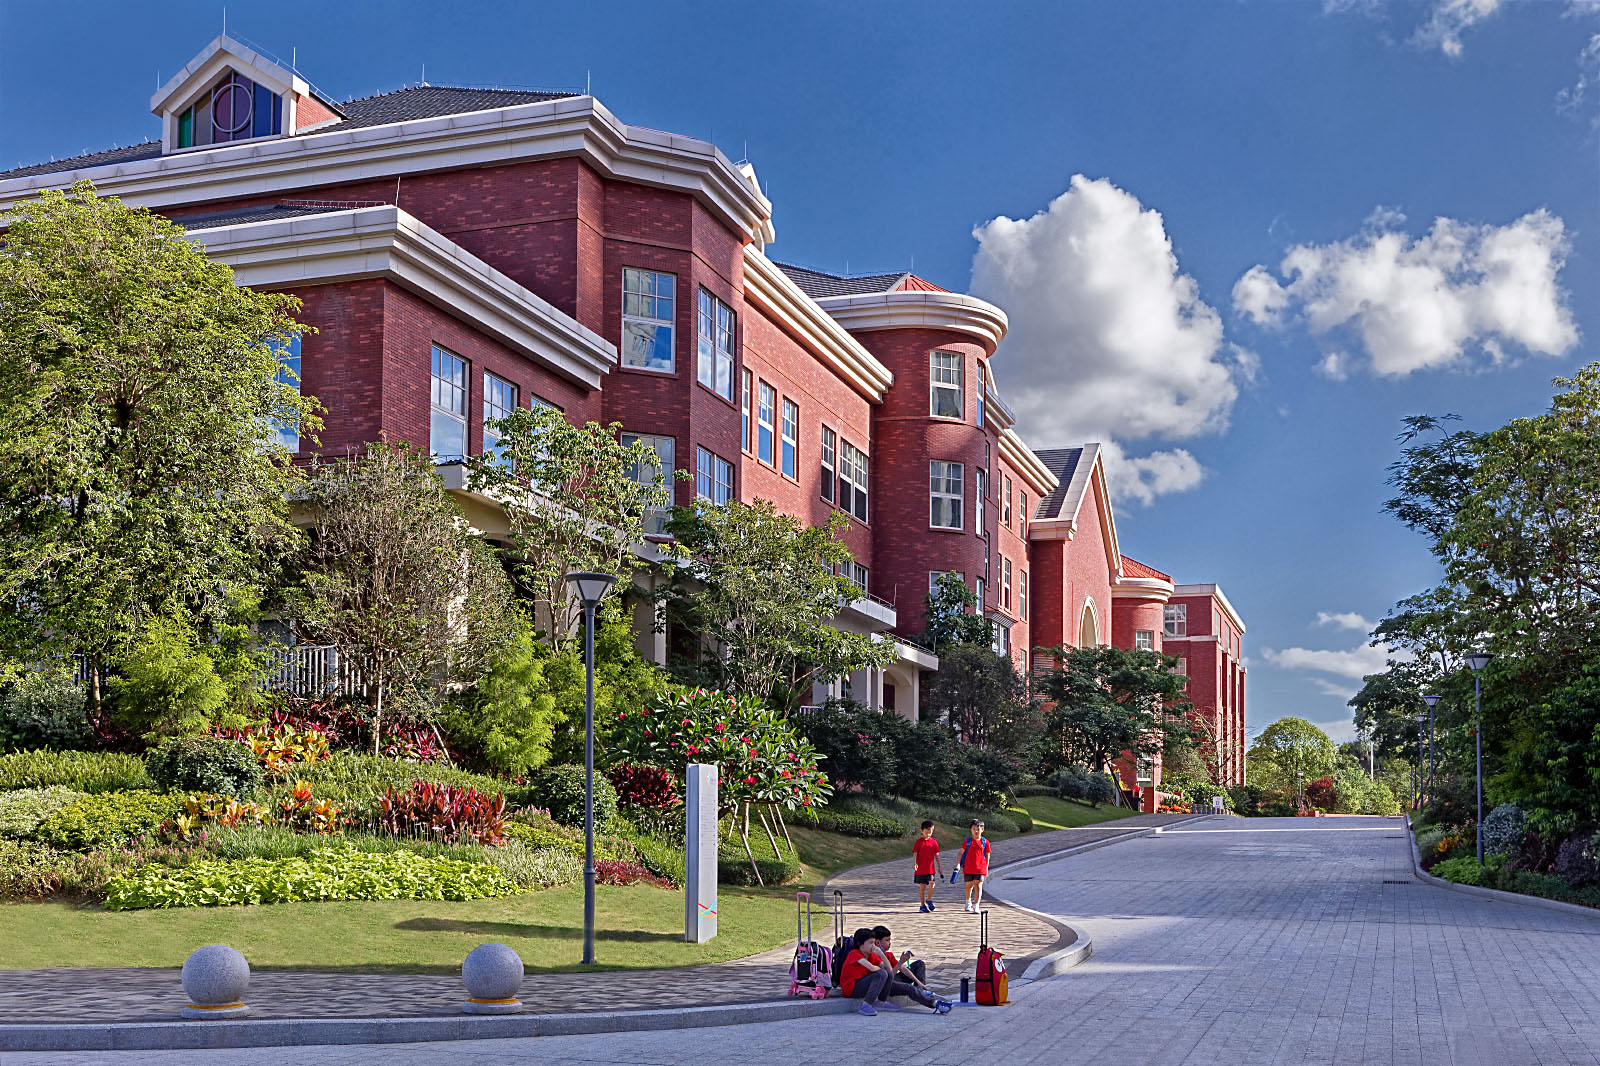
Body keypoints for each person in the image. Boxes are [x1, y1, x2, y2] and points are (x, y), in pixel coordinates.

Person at [871, 925, 951, 1012]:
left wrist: (918, 982)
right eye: (887, 940)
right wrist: (900, 962)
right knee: (909, 988)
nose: (890, 943)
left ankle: (920, 991)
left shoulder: (889, 955)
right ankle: (934, 1003)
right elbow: (888, 977)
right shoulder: (874, 957)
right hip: (887, 986)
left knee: (919, 964)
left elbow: (903, 969)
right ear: (878, 943)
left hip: (894, 979)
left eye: (890, 940)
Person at [951, 818, 991, 912]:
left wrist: (986, 867)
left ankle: (976, 905)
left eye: (978, 829)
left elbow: (988, 855)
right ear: (971, 830)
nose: (976, 831)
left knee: (978, 885)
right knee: (969, 885)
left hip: (980, 868)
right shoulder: (967, 841)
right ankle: (968, 901)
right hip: (969, 868)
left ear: (982, 830)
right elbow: (960, 853)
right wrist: (957, 864)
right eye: (974, 829)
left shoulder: (985, 842)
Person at [912, 820, 942, 912]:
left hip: (930, 869)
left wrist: (939, 867)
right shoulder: (919, 842)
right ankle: (922, 905)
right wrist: (914, 863)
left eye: (930, 833)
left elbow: (937, 855)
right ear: (921, 831)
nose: (928, 834)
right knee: (922, 887)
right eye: (926, 832)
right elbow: (915, 853)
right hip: (921, 869)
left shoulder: (934, 842)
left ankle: (929, 899)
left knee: (932, 884)